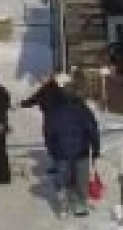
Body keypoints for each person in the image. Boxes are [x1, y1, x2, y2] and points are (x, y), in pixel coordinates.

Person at [43, 89, 101, 217]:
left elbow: (48, 134)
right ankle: (80, 205)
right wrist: (96, 149)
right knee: (81, 180)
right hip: (82, 151)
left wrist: (52, 151)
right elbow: (92, 130)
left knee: (64, 179)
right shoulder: (83, 110)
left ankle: (64, 204)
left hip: (61, 152)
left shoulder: (53, 112)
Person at [21, 73, 68, 171]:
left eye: (44, 78)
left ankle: (60, 165)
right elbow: (34, 99)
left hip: (53, 118)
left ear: (49, 79)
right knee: (54, 141)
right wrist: (23, 103)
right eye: (42, 78)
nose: (42, 80)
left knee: (52, 141)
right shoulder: (53, 88)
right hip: (54, 117)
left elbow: (34, 99)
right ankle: (58, 164)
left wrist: (23, 103)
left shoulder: (50, 89)